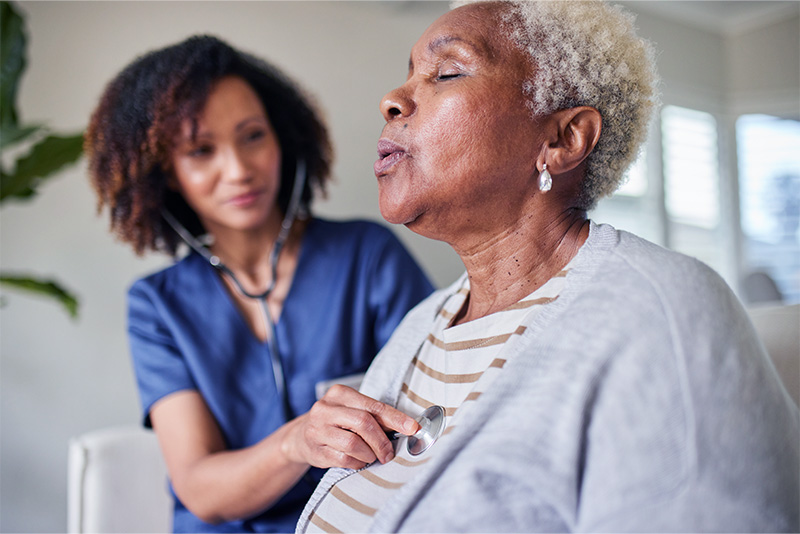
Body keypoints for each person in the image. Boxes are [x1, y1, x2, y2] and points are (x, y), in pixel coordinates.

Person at [294, 1, 800, 532]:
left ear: (563, 139)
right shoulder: (423, 324)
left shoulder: (667, 313)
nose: (391, 100)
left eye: (446, 72)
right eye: (408, 76)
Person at [85, 35, 433, 533]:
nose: (239, 170)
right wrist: (297, 442)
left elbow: (435, 415)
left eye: (252, 136)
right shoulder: (157, 306)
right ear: (167, 174)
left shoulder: (366, 257)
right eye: (202, 151)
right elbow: (202, 489)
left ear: (282, 138)